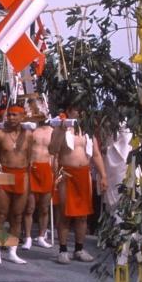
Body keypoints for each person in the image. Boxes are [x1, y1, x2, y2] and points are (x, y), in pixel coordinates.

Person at [48, 103, 108, 264]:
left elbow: (96, 154)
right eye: (76, 109)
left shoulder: (87, 131)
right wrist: (60, 130)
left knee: (83, 215)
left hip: (84, 173)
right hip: (66, 172)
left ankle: (79, 248)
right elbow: (52, 150)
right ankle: (62, 250)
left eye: (82, 110)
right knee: (64, 213)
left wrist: (103, 175)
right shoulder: (61, 129)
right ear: (68, 111)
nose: (80, 112)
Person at [0, 106, 33, 265]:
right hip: (4, 174)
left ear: (22, 117)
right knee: (1, 214)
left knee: (17, 215)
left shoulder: (28, 135)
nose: (11, 118)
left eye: (15, 115)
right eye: (9, 115)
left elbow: (29, 158)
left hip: (22, 174)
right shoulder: (0, 134)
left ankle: (12, 251)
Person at [22, 115, 54, 250]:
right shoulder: (30, 129)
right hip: (31, 167)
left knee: (44, 207)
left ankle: (41, 236)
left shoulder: (52, 131)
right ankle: (28, 237)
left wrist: (56, 172)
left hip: (46, 168)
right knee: (30, 207)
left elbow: (55, 153)